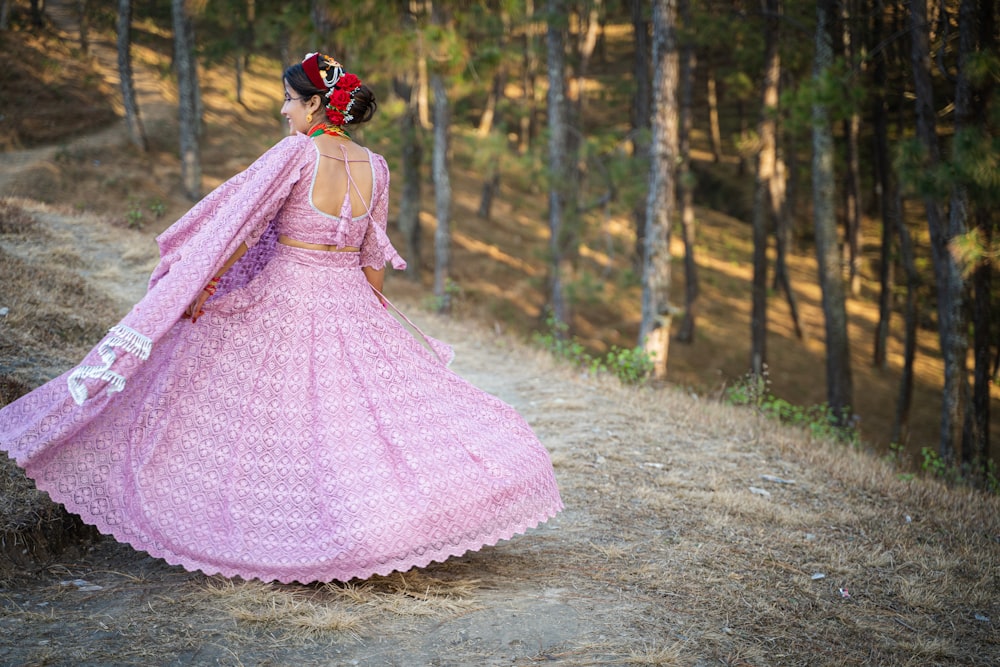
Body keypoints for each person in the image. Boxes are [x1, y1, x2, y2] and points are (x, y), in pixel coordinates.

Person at [0, 52, 562, 584]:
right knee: (349, 418)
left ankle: (296, 532)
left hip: (291, 293)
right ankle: (373, 527)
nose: (283, 109)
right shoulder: (377, 166)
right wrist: (375, 318)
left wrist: (201, 282)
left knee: (270, 413)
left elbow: (239, 223)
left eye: (289, 99)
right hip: (349, 296)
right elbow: (372, 258)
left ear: (315, 105)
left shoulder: (296, 153)